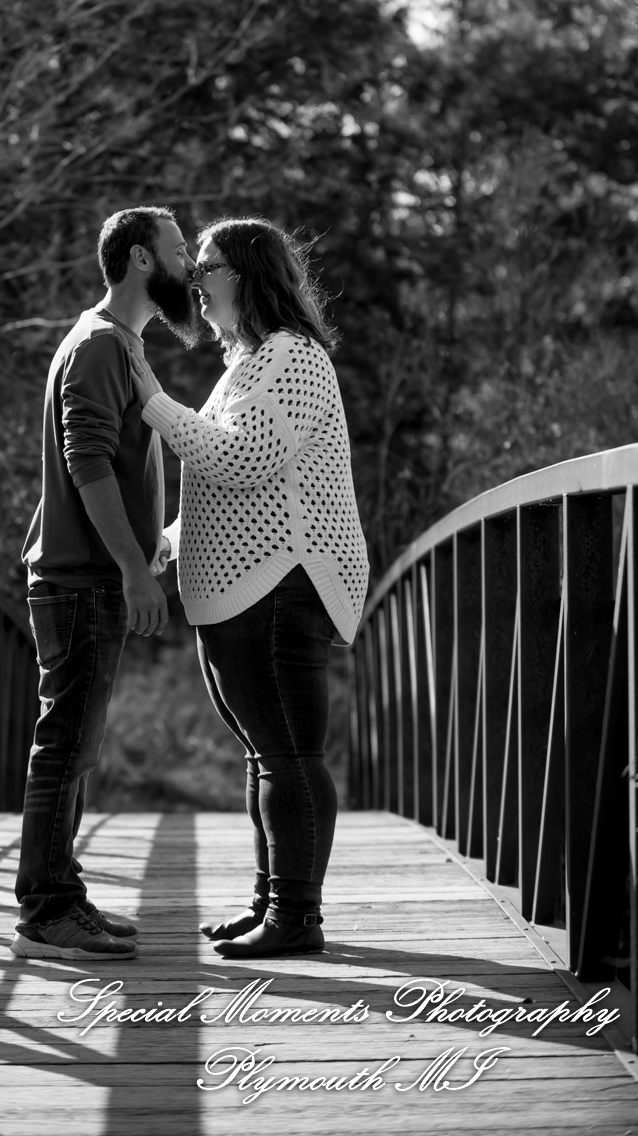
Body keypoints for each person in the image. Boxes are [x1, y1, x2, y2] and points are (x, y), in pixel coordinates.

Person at [130, 217, 369, 958]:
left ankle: (296, 918)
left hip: (281, 584)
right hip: (244, 587)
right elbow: (222, 483)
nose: (195, 286)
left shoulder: (294, 358)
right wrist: (164, 542)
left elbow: (245, 460)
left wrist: (152, 400)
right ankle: (272, 903)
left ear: (249, 275)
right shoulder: (250, 362)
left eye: (207, 270)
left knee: (289, 754)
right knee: (266, 753)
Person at [11, 206, 198, 962]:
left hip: (85, 576)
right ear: (141, 260)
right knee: (65, 746)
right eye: (180, 251)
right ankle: (48, 908)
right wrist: (131, 569)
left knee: (75, 745)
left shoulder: (120, 343)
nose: (190, 265)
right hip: (83, 578)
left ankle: (62, 895)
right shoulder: (97, 346)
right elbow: (86, 463)